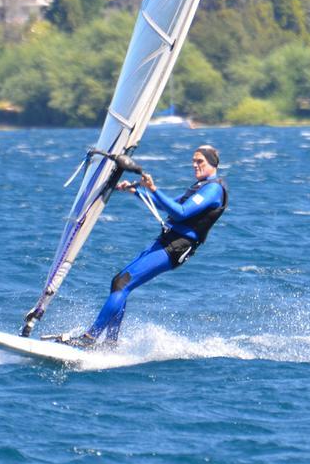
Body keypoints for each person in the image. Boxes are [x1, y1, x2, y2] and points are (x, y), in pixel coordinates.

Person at [73, 144, 227, 346]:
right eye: (193, 161)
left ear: (213, 164)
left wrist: (153, 188)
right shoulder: (200, 187)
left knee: (123, 284)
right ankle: (110, 343)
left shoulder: (214, 189)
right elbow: (168, 206)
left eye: (200, 161)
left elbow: (181, 212)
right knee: (117, 281)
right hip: (166, 240)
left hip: (176, 246)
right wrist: (136, 191)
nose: (195, 165)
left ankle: (90, 338)